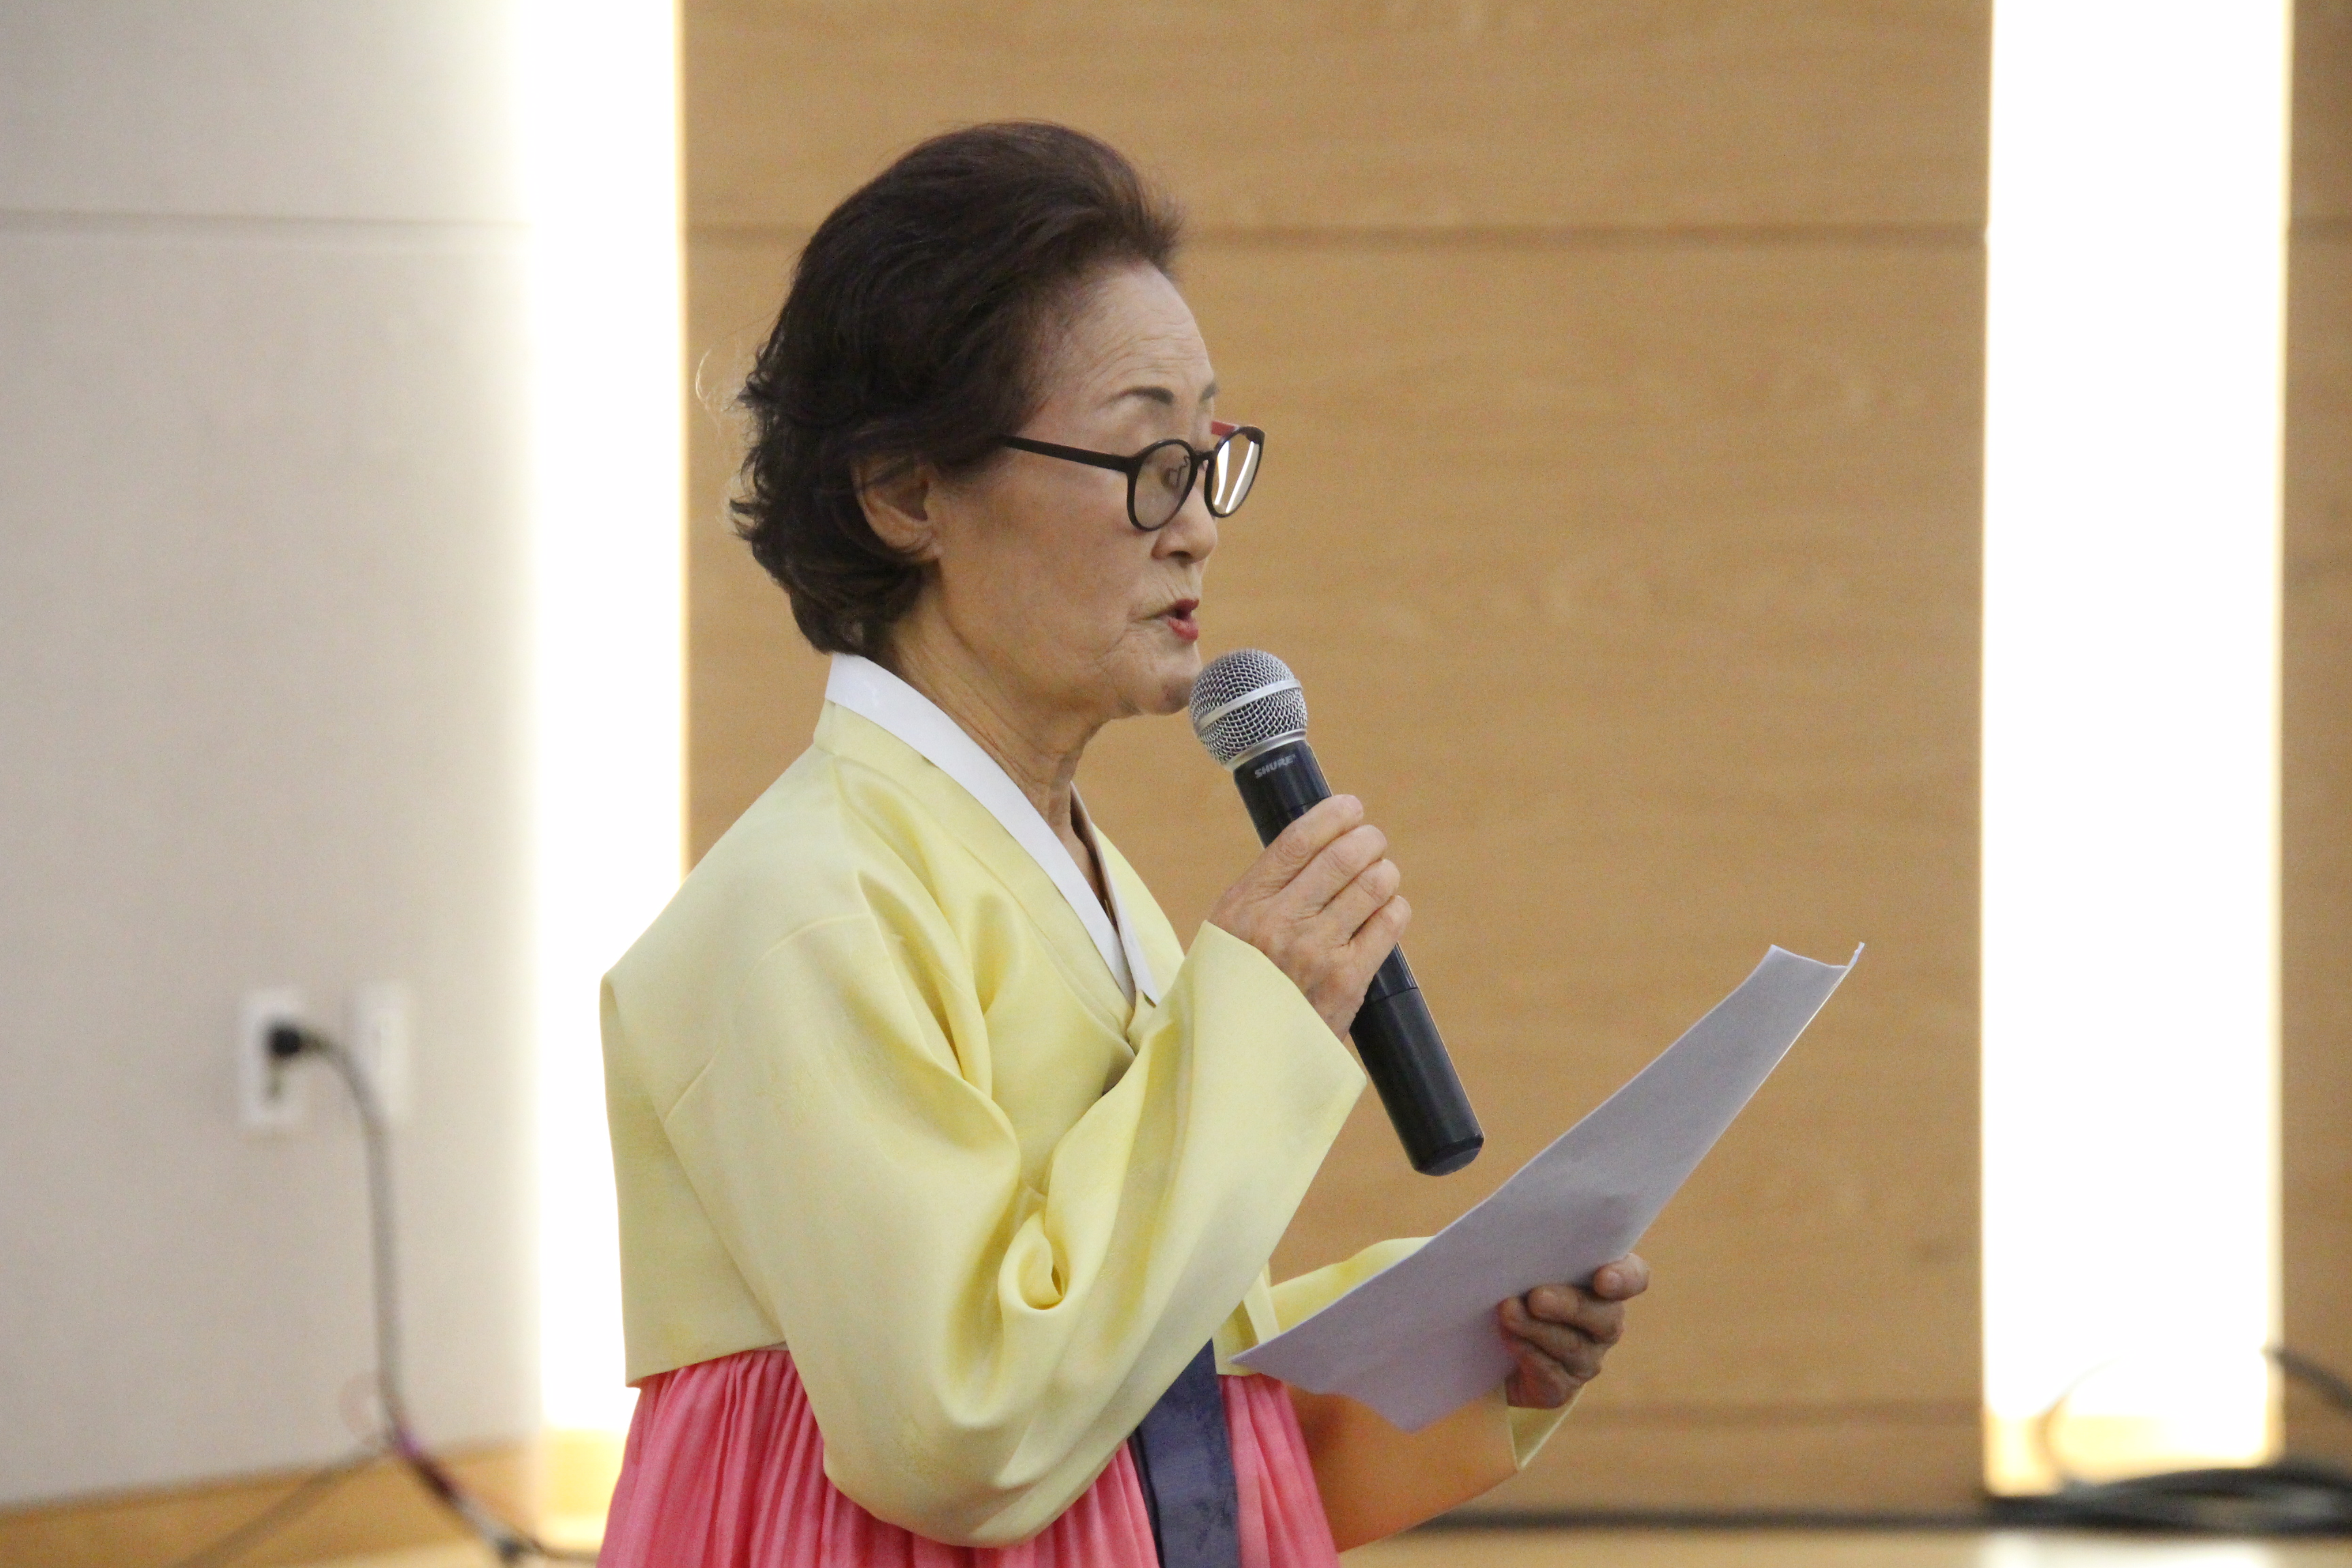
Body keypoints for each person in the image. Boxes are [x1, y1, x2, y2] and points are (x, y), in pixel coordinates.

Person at [595, 122, 1649, 1568]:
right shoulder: (804, 906)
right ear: (906, 492)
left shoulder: (1082, 874)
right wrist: (1255, 1015)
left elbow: (1146, 1397)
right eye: (1147, 458)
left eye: (1209, 457)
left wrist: (1471, 1337)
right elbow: (967, 1430)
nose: (1198, 529)